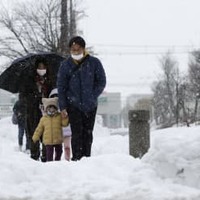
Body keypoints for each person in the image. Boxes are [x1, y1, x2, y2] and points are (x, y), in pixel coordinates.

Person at [57, 36, 106, 161]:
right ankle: (77, 158)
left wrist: (92, 95)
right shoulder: (65, 65)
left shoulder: (94, 63)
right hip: (73, 105)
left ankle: (87, 158)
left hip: (90, 105)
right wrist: (62, 106)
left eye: (78, 50)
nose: (75, 52)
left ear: (83, 49)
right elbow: (61, 86)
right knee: (76, 133)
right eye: (73, 50)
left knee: (88, 133)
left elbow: (101, 81)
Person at [19, 57, 53, 161]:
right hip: (32, 112)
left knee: (47, 134)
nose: (42, 69)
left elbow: (54, 95)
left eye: (43, 67)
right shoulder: (29, 80)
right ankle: (34, 156)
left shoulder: (50, 81)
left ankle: (46, 156)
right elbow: (23, 96)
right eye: (39, 67)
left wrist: (47, 102)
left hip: (47, 112)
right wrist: (34, 98)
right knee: (34, 134)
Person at [32, 97, 69, 162]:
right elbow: (39, 129)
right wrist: (35, 137)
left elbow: (65, 124)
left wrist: (65, 118)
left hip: (58, 139)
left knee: (59, 152)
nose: (51, 110)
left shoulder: (59, 116)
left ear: (56, 108)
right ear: (46, 109)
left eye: (53, 108)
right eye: (49, 108)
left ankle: (58, 163)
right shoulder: (44, 119)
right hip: (48, 141)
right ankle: (49, 165)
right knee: (49, 155)